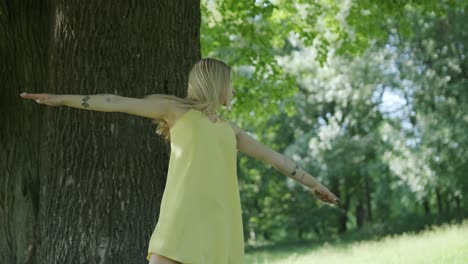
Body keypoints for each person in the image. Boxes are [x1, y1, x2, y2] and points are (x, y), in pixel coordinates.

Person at [20, 58, 339, 264]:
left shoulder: (231, 131)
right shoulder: (175, 111)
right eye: (230, 83)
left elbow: (276, 158)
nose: (233, 90)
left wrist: (315, 185)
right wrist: (62, 99)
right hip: (181, 219)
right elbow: (115, 102)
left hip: (218, 223)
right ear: (217, 84)